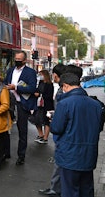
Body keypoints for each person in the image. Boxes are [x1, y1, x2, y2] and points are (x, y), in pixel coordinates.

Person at [50, 73, 102, 197]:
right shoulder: (96, 105)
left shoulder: (65, 103)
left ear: (65, 86)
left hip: (69, 155)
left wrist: (53, 119)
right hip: (89, 154)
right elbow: (98, 128)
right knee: (86, 189)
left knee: (69, 189)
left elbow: (56, 128)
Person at [38, 64, 79, 196]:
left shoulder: (64, 95)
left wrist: (54, 119)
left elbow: (58, 125)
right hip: (72, 139)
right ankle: (57, 187)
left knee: (60, 163)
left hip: (64, 137)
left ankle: (56, 189)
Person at [4, 50, 37, 166]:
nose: (17, 61)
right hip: (9, 103)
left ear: (24, 60)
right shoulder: (10, 71)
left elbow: (32, 89)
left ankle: (21, 156)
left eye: (19, 60)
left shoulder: (30, 72)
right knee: (5, 129)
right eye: (16, 59)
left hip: (22, 104)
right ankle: (5, 153)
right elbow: (5, 83)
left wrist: (16, 87)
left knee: (22, 131)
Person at [32, 70, 54, 144]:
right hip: (39, 104)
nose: (39, 76)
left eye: (41, 74)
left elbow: (49, 95)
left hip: (47, 105)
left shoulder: (50, 84)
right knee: (36, 119)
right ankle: (40, 134)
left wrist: (40, 95)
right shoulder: (40, 83)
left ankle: (45, 137)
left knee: (46, 120)